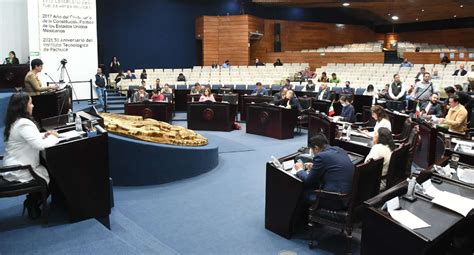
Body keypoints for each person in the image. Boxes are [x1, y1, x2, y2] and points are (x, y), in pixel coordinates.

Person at [2, 93, 59, 219]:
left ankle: (32, 202)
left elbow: (30, 138)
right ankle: (32, 202)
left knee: (50, 171)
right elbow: (40, 145)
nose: (32, 106)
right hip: (20, 169)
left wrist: (44, 135)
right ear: (23, 106)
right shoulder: (23, 123)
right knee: (54, 174)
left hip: (15, 164)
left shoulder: (15, 120)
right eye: (30, 103)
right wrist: (55, 138)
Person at [293, 134, 354, 210]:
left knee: (299, 192)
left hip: (335, 200)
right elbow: (331, 167)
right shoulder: (339, 150)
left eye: (312, 151)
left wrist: (300, 169)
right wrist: (314, 167)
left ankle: (302, 221)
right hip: (348, 197)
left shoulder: (321, 156)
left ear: (316, 148)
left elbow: (308, 181)